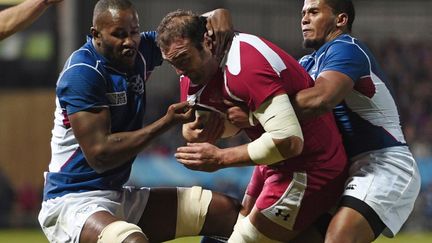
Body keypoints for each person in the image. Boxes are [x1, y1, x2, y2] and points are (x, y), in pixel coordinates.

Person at [37, 1, 241, 243]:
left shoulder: (141, 48)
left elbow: (185, 29)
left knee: (228, 214)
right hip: (73, 201)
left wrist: (218, 15)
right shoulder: (83, 72)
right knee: (132, 241)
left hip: (118, 196)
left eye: (133, 32)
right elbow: (100, 155)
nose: (129, 41)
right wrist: (166, 123)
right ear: (96, 35)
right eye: (119, 35)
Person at [157, 9, 349, 242]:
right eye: (171, 63)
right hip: (273, 163)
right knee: (228, 233)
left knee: (244, 239)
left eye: (183, 59)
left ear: (206, 42)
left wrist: (220, 158)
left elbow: (289, 141)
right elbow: (222, 123)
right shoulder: (192, 66)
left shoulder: (246, 63)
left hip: (311, 166)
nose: (179, 70)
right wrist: (197, 130)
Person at [293, 0, 421, 242]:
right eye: (303, 13)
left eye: (313, 12)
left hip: (383, 163)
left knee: (339, 237)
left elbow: (321, 98)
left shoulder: (346, 48)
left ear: (341, 20)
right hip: (342, 169)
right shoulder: (306, 63)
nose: (304, 18)